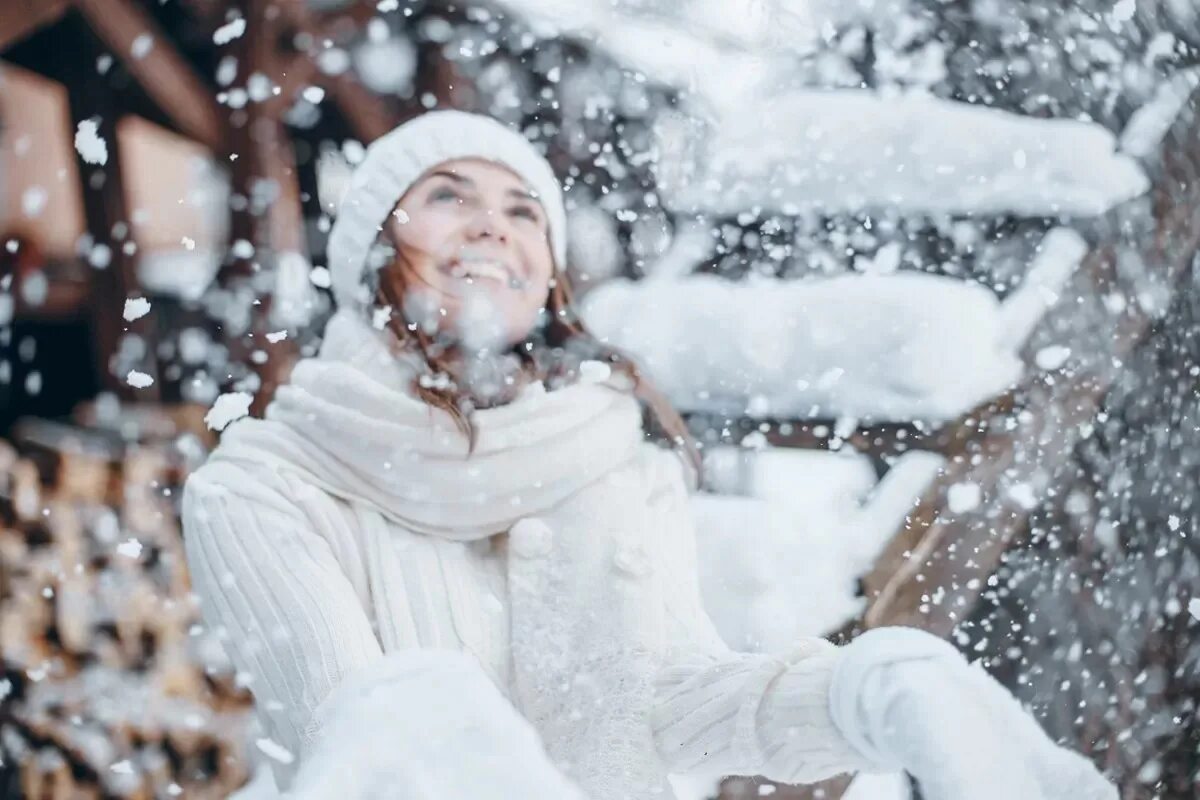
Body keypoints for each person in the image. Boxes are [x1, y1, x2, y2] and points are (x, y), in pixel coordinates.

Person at [182, 110, 1115, 800]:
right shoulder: (266, 486)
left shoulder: (609, 457)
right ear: (372, 248)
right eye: (446, 197)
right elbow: (366, 750)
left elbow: (666, 701)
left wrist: (864, 694)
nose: (493, 226)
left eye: (523, 211)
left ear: (547, 275)